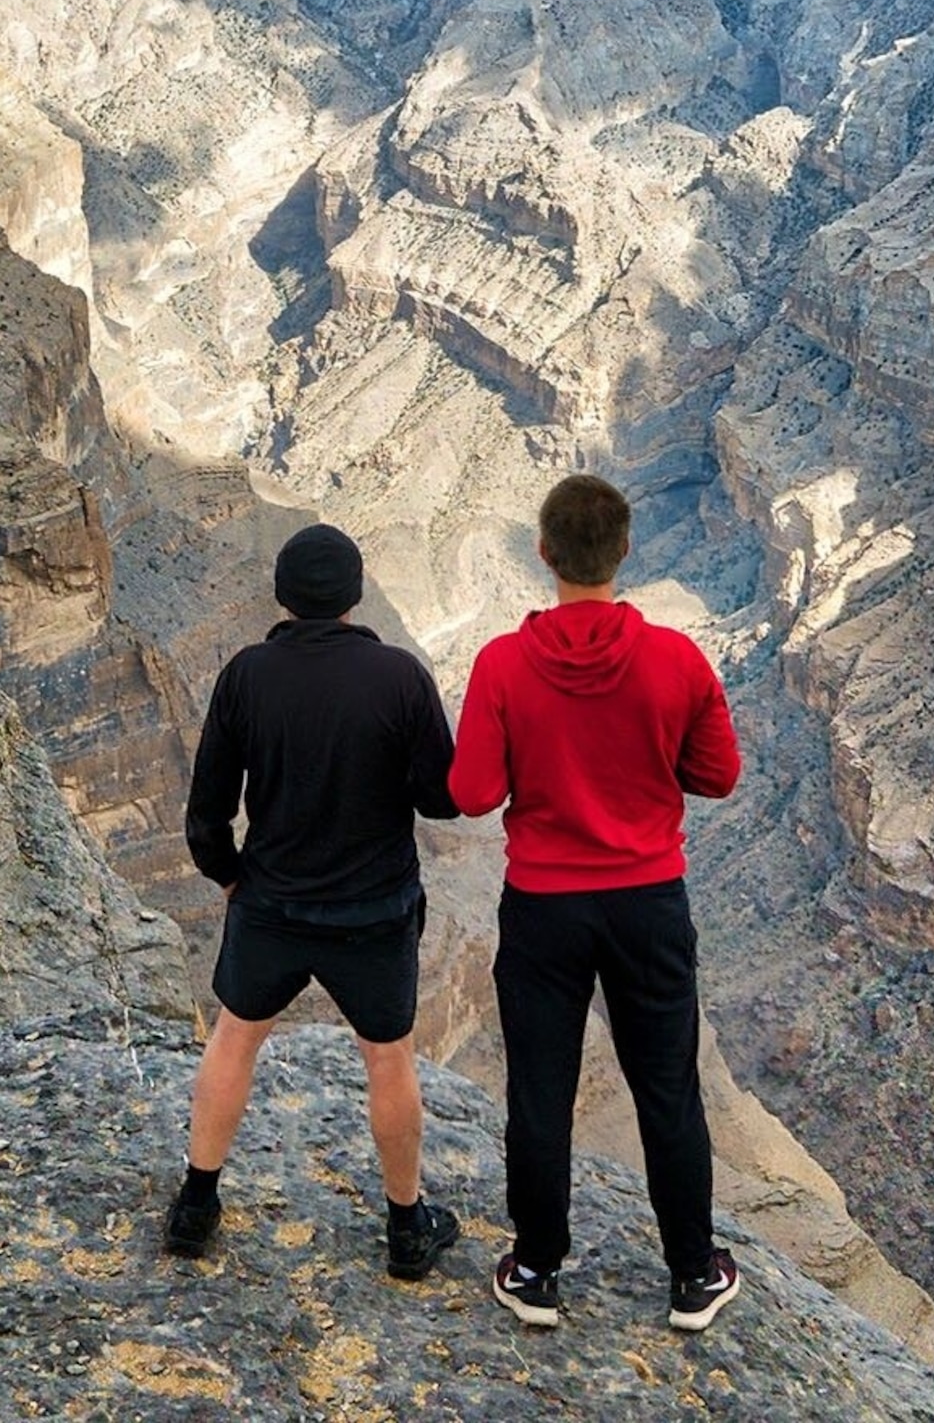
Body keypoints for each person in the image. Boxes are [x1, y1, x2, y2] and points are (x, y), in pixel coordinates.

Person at [449, 472, 745, 1334]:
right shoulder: (678, 661)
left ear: (541, 553)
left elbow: (471, 793)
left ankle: (536, 1268)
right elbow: (719, 775)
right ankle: (693, 1274)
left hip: (542, 907)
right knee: (668, 1089)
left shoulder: (503, 664)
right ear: (624, 552)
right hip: (647, 902)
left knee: (540, 1091)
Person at [166, 523, 464, 1281]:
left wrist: (230, 876)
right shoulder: (399, 678)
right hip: (374, 911)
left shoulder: (246, 675)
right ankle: (406, 1227)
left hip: (272, 903)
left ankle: (196, 1207)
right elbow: (442, 801)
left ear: (283, 595)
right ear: (356, 596)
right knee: (388, 1057)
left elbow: (206, 812)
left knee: (235, 1037)